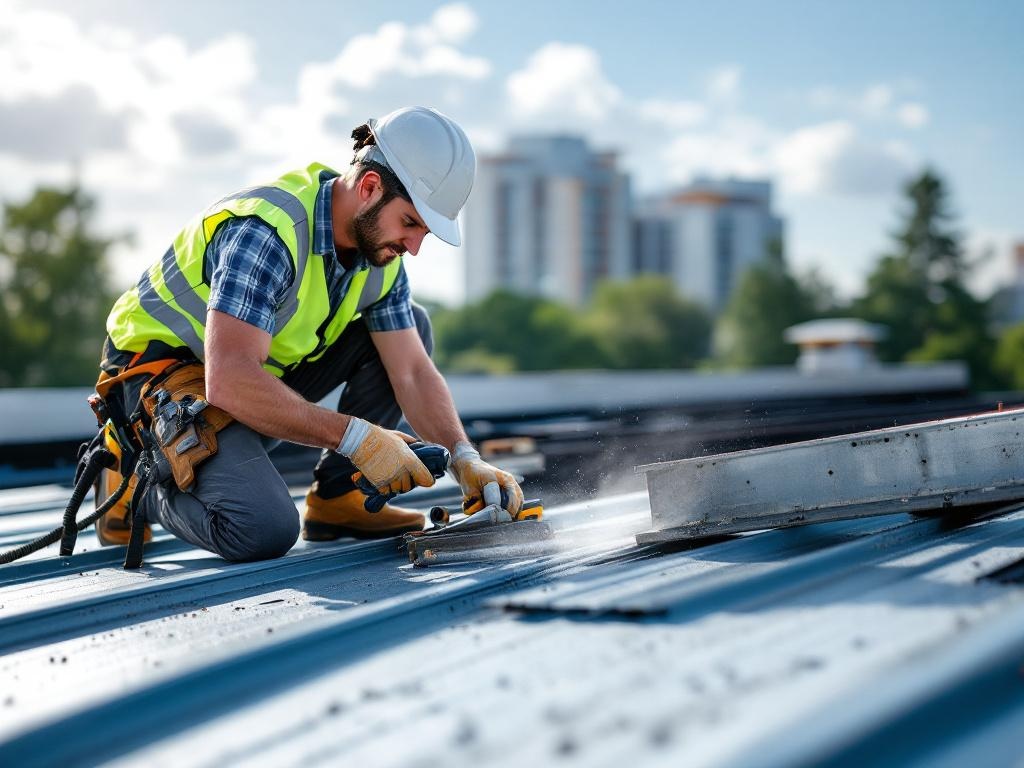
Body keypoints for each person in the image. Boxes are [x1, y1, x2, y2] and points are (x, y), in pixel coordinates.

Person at [92, 106, 523, 562]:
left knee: (409, 325)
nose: (414, 247)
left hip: (240, 380)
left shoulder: (380, 260)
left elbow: (412, 373)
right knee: (260, 529)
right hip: (159, 384)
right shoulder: (267, 234)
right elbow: (232, 379)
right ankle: (140, 473)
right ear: (370, 188)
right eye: (411, 223)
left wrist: (462, 456)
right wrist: (358, 439)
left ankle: (339, 499)